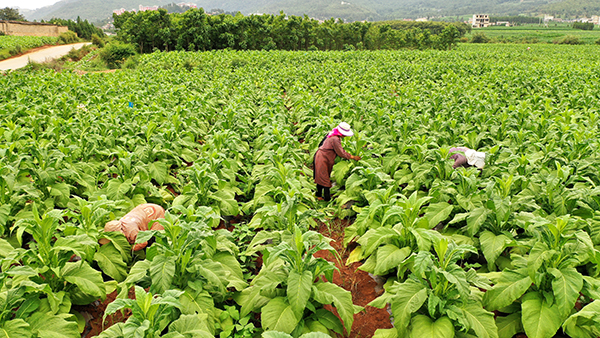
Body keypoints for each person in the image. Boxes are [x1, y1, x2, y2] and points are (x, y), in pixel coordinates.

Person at [313, 122, 361, 201]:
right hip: (323, 158)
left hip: (323, 157)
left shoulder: (332, 133)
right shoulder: (335, 139)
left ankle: (318, 195)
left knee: (321, 176)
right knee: (324, 179)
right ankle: (326, 199)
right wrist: (353, 157)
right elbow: (341, 153)